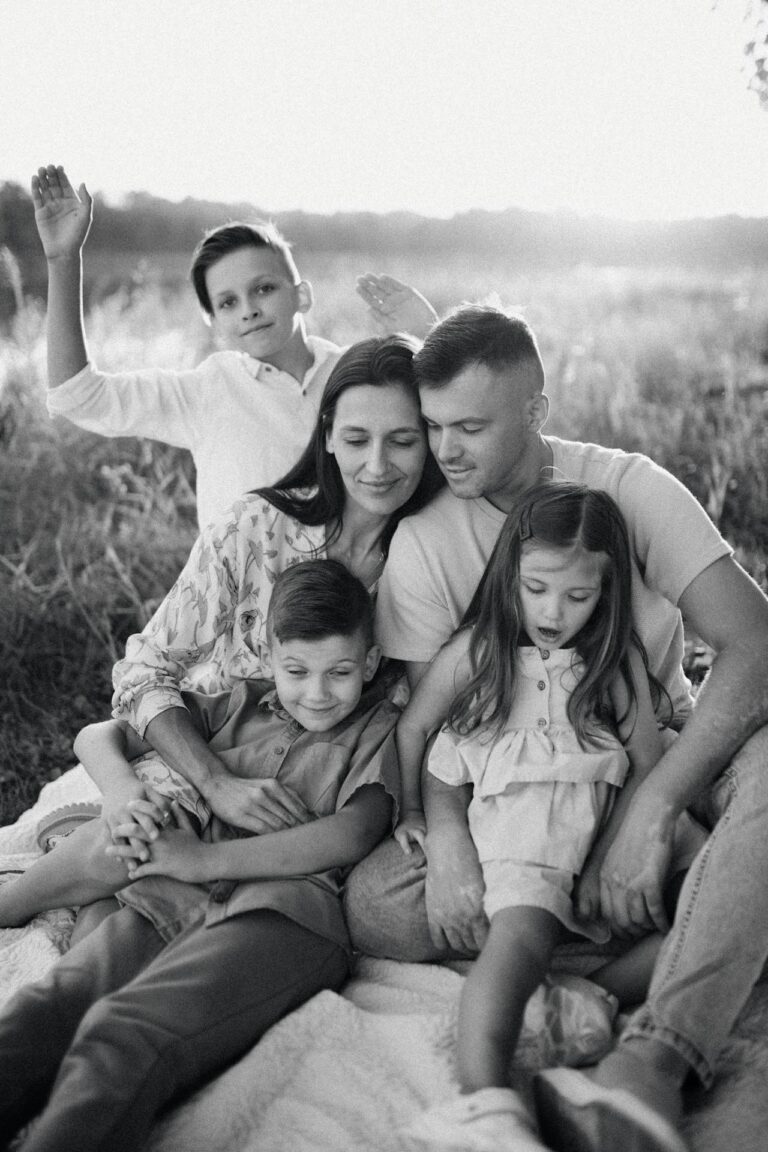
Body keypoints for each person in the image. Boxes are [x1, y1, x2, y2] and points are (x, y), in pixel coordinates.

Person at [344, 305, 768, 1152]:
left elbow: (755, 647)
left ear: (536, 411)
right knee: (374, 908)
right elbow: (435, 729)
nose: (446, 450)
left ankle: (653, 1057)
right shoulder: (427, 539)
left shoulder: (628, 488)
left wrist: (649, 814)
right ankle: (663, 949)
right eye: (433, 427)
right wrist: (451, 841)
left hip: (653, 754)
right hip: (512, 794)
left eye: (469, 426)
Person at [0, 332, 441, 932]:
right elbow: (147, 668)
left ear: (431, 441)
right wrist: (216, 782)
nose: (378, 465)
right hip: (223, 746)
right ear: (329, 433)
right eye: (358, 438)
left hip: (344, 783)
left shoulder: (436, 552)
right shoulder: (257, 526)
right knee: (130, 844)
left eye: (404, 440)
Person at [0, 560, 400, 1152]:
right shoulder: (237, 704)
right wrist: (122, 792)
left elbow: (352, 835)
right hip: (170, 895)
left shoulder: (379, 728)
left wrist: (200, 863)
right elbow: (104, 733)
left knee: (124, 1031)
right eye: (297, 670)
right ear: (269, 654)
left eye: (340, 672)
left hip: (283, 916)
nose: (317, 693)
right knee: (53, 1005)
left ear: (368, 663)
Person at [397, 481, 695, 1151]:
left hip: (598, 841)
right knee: (517, 942)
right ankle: (486, 1100)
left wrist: (609, 857)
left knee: (701, 909)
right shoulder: (482, 655)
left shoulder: (613, 665)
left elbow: (649, 764)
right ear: (509, 579)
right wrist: (424, 817)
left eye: (578, 595)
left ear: (607, 590)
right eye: (536, 589)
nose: (554, 611)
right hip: (526, 839)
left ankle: (576, 1000)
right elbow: (421, 736)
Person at [31, 164, 438, 528]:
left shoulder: (353, 375)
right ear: (215, 323)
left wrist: (431, 334)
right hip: (239, 597)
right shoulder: (206, 390)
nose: (249, 310)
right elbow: (77, 397)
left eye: (263, 288)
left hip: (337, 597)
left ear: (302, 296)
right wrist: (63, 260)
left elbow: (451, 417)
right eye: (228, 302)